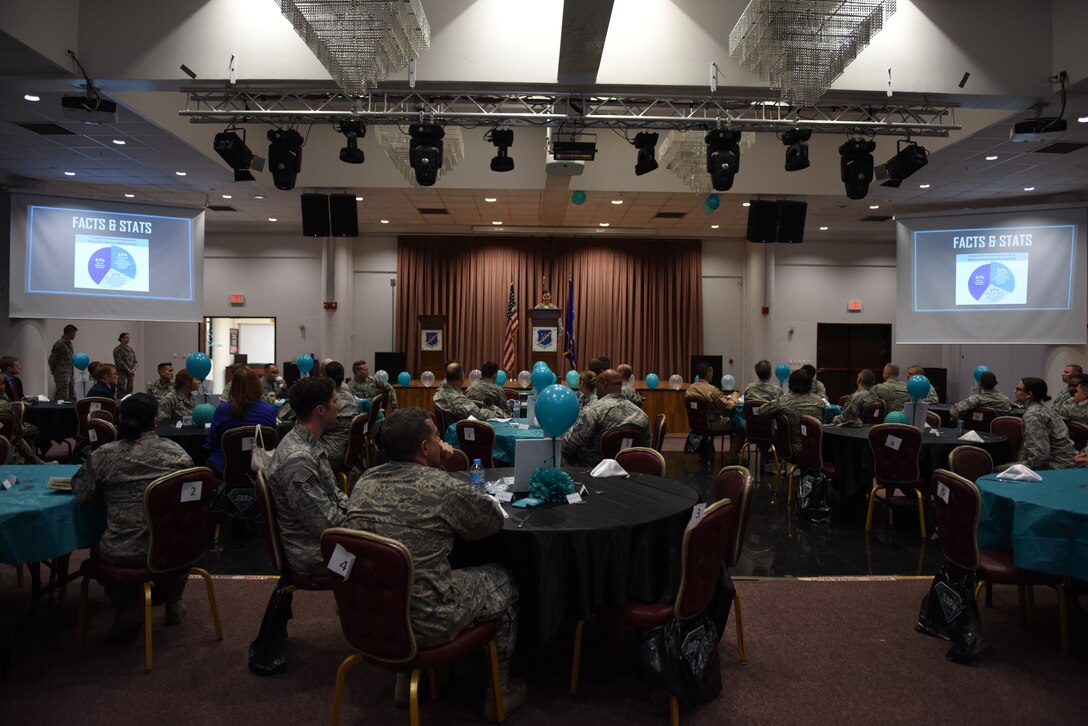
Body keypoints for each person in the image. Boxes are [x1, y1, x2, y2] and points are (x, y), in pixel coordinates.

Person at [346, 407, 526, 719]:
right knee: (503, 579)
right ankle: (500, 691)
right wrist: (441, 468)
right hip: (428, 621)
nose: (442, 443)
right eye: (437, 437)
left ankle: (403, 680)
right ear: (425, 448)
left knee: (405, 576)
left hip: (365, 615)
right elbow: (491, 521)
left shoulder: (363, 483)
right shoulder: (443, 487)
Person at [72, 393, 194, 638]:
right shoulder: (177, 455)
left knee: (96, 545)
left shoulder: (104, 455)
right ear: (154, 421)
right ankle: (173, 601)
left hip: (122, 550)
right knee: (176, 532)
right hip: (174, 550)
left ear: (121, 419)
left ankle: (127, 606)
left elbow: (82, 495)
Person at [263, 376, 348, 576]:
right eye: (335, 401)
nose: (340, 406)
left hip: (325, 542)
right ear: (320, 410)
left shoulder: (309, 441)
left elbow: (333, 494)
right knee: (389, 559)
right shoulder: (298, 459)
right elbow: (324, 524)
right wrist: (362, 525)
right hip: (316, 554)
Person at [562, 368, 650, 467]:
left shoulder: (593, 410)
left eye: (597, 387)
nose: (596, 392)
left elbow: (568, 445)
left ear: (604, 385)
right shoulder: (641, 414)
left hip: (593, 471)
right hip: (627, 470)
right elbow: (645, 449)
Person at [204, 367, 277, 476]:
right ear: (257, 385)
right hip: (259, 468)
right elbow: (271, 443)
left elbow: (212, 443)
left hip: (225, 468)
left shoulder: (222, 410)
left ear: (233, 386)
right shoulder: (269, 410)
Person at [996, 377, 1075, 471]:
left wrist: (1008, 468)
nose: (1014, 391)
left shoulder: (1032, 416)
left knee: (994, 469)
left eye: (1018, 389)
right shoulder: (1043, 409)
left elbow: (1038, 459)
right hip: (1065, 462)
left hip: (1056, 467)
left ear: (1029, 394)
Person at [758, 369, 826, 456]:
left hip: (793, 449)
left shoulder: (784, 401)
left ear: (790, 384)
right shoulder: (819, 401)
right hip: (817, 450)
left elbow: (762, 411)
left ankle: (766, 461)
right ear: (810, 384)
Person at [685, 362, 741, 453]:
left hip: (696, 425)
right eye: (712, 372)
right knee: (739, 425)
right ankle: (733, 456)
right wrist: (734, 396)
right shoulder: (712, 390)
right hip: (713, 424)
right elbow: (727, 407)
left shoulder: (689, 389)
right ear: (708, 373)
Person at [433, 362, 508, 422]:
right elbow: (479, 415)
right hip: (461, 435)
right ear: (461, 378)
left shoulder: (441, 390)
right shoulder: (458, 399)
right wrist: (500, 415)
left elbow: (444, 381)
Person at [320, 361, 359, 465]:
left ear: (325, 376)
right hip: (349, 452)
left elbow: (314, 429)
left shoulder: (326, 400)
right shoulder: (350, 396)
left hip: (329, 454)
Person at [48, 323, 77, 400]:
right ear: (70, 332)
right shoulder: (60, 344)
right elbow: (52, 359)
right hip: (61, 374)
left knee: (71, 395)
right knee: (62, 395)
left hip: (69, 373)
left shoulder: (69, 344)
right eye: (74, 333)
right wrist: (53, 370)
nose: (75, 335)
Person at [112, 332, 137, 396]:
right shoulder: (117, 349)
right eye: (126, 337)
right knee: (121, 389)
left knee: (130, 389)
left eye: (129, 337)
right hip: (121, 373)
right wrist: (128, 369)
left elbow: (135, 361)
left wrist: (133, 369)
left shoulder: (130, 349)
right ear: (121, 339)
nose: (128, 339)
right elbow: (119, 361)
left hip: (130, 373)